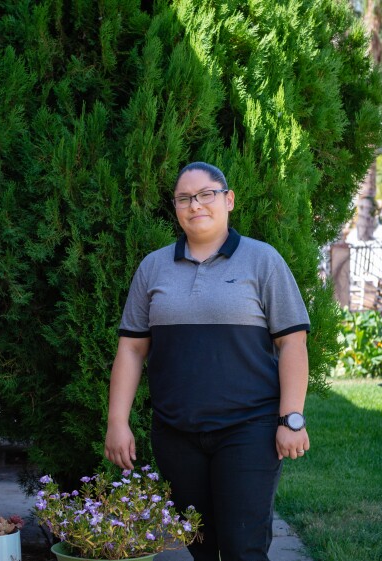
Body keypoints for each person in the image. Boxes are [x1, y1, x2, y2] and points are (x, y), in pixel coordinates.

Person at [104, 162, 311, 561]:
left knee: (242, 549)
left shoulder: (262, 260)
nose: (195, 204)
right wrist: (117, 422)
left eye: (206, 194)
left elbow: (292, 344)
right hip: (175, 433)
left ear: (228, 200)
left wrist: (291, 418)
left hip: (248, 430)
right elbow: (131, 349)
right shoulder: (153, 267)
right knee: (200, 547)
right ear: (176, 208)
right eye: (184, 198)